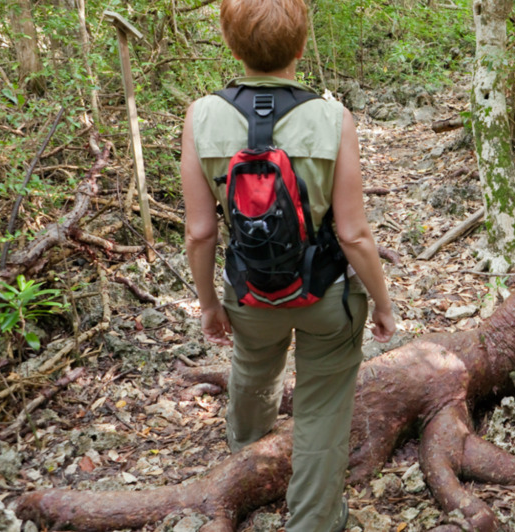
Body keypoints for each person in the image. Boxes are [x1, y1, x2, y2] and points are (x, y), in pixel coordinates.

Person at [178, 0, 395, 530]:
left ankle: (246, 468)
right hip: (328, 297)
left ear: (231, 47)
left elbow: (201, 231)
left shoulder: (201, 116)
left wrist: (208, 304)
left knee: (253, 370)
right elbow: (354, 233)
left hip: (249, 292)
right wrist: (384, 304)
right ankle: (315, 520)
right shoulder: (332, 117)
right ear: (300, 47)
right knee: (322, 410)